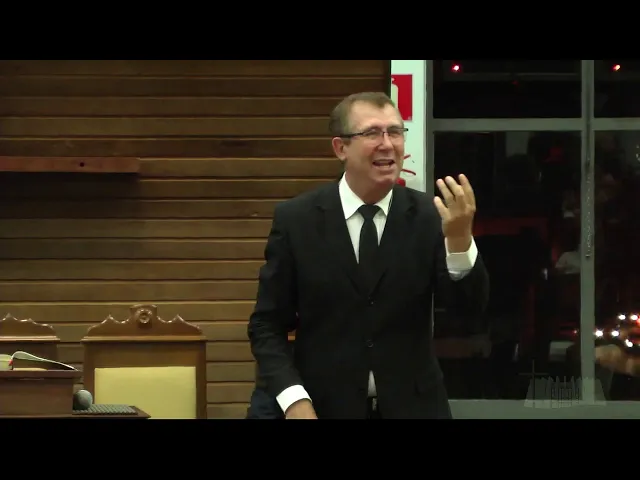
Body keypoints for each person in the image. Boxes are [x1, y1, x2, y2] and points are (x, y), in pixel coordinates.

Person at [247, 91, 490, 419]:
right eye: (373, 133)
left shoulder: (430, 216)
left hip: (414, 408)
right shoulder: (297, 220)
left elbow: (469, 313)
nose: (387, 144)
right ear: (340, 148)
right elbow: (266, 325)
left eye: (395, 132)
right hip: (321, 408)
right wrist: (293, 400)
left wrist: (459, 244)